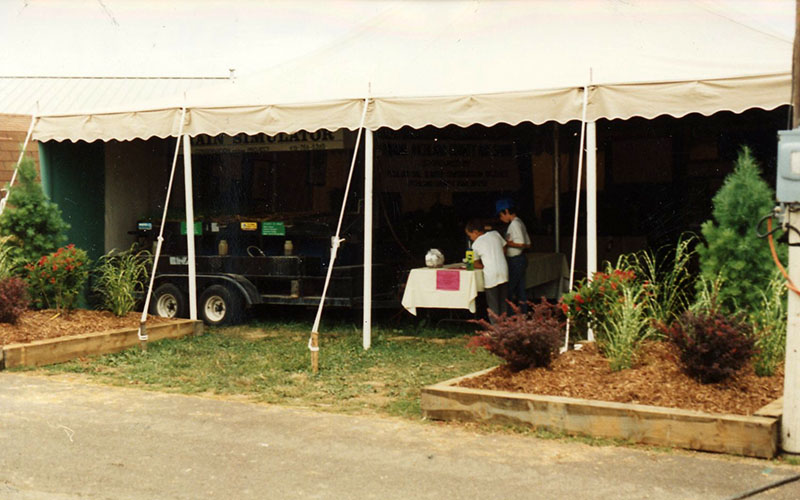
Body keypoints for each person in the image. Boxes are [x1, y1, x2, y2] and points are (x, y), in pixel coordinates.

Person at [465, 219, 508, 321]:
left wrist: (485, 265)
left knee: (493, 304)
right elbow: (505, 247)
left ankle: (496, 329)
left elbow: (474, 263)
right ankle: (506, 327)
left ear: (475, 232)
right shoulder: (495, 234)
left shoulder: (476, 244)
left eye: (470, 236)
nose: (471, 239)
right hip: (504, 271)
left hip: (491, 275)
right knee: (503, 302)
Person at [497, 199, 531, 313]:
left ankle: (510, 316)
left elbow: (521, 243)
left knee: (509, 290)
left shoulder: (514, 224)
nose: (500, 218)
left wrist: (507, 243)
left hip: (515, 260)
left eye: (501, 215)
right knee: (520, 290)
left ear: (506, 211)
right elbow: (528, 244)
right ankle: (523, 315)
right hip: (520, 259)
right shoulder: (519, 222)